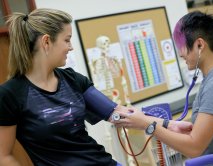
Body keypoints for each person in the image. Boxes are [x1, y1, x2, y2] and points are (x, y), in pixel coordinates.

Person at [114, 11, 213, 165]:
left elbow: (194, 147)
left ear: (199, 45)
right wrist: (144, 119)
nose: (179, 54)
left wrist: (146, 124)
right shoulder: (212, 79)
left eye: (181, 46)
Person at [0, 8, 130, 166]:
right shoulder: (10, 94)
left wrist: (161, 124)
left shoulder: (73, 79)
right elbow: (3, 156)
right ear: (46, 41)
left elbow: (117, 112)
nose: (71, 47)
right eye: (67, 40)